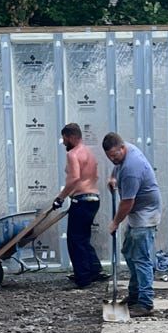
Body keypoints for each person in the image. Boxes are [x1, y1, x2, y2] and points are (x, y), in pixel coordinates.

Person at [102, 131, 161, 312]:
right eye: (109, 157)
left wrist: (115, 223)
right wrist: (113, 176)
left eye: (115, 155)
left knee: (141, 259)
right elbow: (117, 165)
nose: (113, 159)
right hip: (138, 214)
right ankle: (135, 294)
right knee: (129, 252)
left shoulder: (130, 169)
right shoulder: (124, 152)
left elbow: (127, 202)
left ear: (122, 148)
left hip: (145, 214)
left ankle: (145, 302)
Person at [52, 123, 103, 288]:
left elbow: (74, 178)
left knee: (75, 241)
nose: (64, 142)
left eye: (65, 138)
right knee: (83, 238)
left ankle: (83, 278)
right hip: (94, 199)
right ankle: (94, 269)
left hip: (81, 200)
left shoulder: (73, 154)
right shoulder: (90, 153)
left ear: (72, 137)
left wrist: (60, 198)